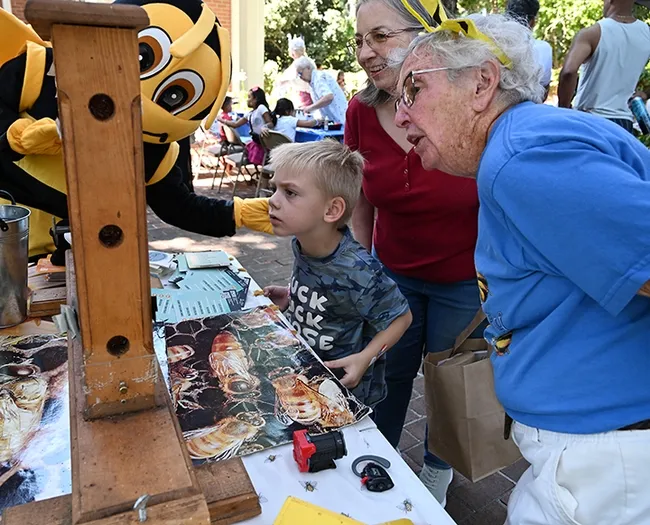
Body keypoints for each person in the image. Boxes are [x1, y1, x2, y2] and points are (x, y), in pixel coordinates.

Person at [394, 12, 650, 525]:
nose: (400, 116)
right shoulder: (530, 140)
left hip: (602, 461)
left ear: (482, 83)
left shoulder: (522, 157)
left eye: (412, 91)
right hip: (598, 450)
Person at [0, 0, 273, 261]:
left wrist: (241, 212)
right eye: (143, 58)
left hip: (72, 253)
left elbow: (178, 206)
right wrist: (17, 136)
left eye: (175, 96)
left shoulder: (152, 149)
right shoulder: (45, 73)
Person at [345, 0, 481, 505]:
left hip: (465, 280)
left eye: (378, 36)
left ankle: (436, 478)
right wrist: (361, 267)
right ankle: (377, 465)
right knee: (387, 374)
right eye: (360, 40)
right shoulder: (360, 110)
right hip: (392, 275)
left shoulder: (469, 100)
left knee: (448, 387)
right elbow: (360, 195)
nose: (365, 52)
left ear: (426, 32)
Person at [262, 141, 412, 408]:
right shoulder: (302, 241)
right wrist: (293, 296)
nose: (273, 200)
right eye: (275, 189)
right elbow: (328, 290)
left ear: (331, 210)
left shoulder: (359, 269)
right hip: (308, 373)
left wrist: (366, 357)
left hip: (345, 391)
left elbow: (401, 317)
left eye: (290, 192)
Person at [558, 0, 650, 132]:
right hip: (624, 124)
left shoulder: (592, 33)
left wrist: (564, 109)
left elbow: (569, 72)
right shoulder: (647, 33)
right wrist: (645, 94)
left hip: (590, 120)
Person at [506, 0, 553, 100]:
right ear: (532, 22)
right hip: (531, 107)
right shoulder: (543, 48)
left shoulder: (491, 43)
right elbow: (543, 92)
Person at [218, 87, 274, 166]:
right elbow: (236, 124)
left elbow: (270, 123)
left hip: (264, 144)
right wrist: (223, 121)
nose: (247, 100)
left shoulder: (261, 108)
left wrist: (265, 127)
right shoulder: (249, 114)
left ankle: (264, 176)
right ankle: (262, 176)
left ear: (256, 99)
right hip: (257, 142)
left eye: (249, 97)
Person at [293, 57, 349, 124]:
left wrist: (310, 108)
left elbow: (328, 97)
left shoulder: (318, 77)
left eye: (300, 73)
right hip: (335, 121)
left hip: (341, 120)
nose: (300, 77)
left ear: (308, 68)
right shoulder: (312, 82)